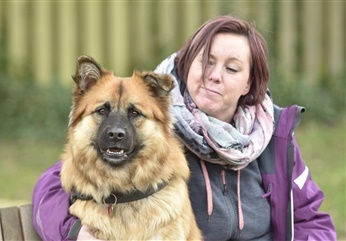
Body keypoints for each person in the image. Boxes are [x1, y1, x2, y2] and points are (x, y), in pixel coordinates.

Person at [32, 15, 336, 240]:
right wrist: (73, 232)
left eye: (231, 68)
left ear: (249, 83)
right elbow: (54, 183)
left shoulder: (272, 137)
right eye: (206, 61)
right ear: (187, 63)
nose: (214, 75)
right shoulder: (153, 123)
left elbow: (312, 220)